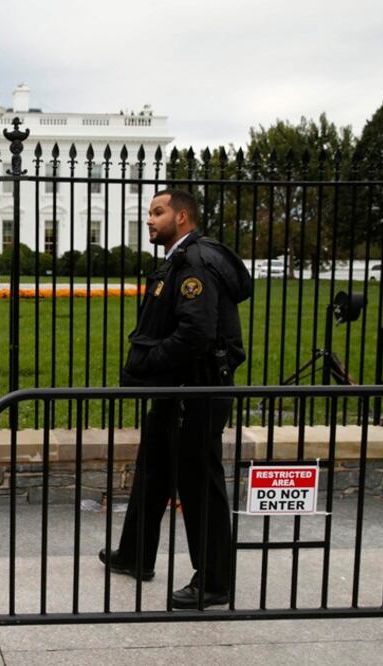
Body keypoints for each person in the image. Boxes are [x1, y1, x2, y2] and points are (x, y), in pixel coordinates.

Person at [102, 189, 252, 609]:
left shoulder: (194, 265)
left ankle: (215, 581)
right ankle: (135, 555)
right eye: (149, 212)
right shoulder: (178, 261)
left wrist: (149, 364)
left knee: (199, 484)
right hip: (178, 389)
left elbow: (196, 333)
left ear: (182, 217)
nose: (150, 219)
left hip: (196, 390)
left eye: (158, 212)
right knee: (154, 469)